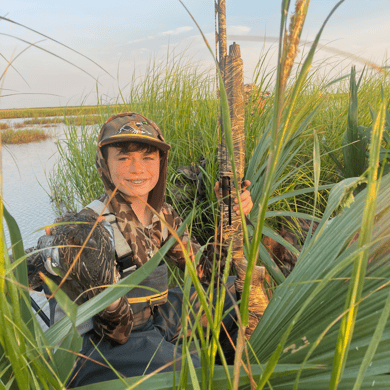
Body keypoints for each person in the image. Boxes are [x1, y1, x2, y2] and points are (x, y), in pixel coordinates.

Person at [33, 112, 257, 387]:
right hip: (105, 342)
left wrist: (230, 216)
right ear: (104, 164)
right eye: (124, 158)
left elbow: (207, 275)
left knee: (241, 292)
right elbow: (115, 328)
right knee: (195, 375)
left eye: (148, 158)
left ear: (161, 163)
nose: (137, 169)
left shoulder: (162, 215)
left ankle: (234, 363)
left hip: (152, 317)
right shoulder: (90, 226)